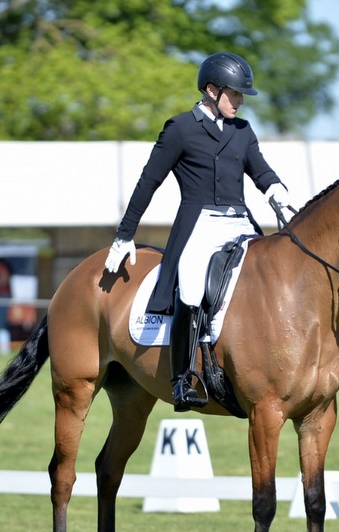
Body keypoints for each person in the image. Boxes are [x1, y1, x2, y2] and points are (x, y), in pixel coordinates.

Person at [103, 51, 290, 411]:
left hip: (239, 222)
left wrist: (277, 192)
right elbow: (148, 182)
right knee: (190, 283)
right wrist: (125, 234)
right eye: (234, 94)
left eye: (240, 95)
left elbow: (261, 171)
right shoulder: (181, 129)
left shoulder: (243, 131)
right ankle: (183, 378)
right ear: (210, 90)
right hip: (199, 224)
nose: (239, 101)